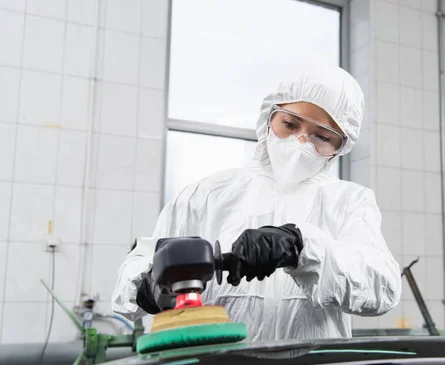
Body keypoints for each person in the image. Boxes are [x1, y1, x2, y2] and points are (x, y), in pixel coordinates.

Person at [112, 65, 402, 341]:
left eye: (322, 137)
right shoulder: (208, 194)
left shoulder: (349, 203)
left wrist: (301, 247)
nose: (300, 142)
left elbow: (383, 289)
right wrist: (148, 287)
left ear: (341, 146)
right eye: (289, 124)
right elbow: (138, 269)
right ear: (268, 117)